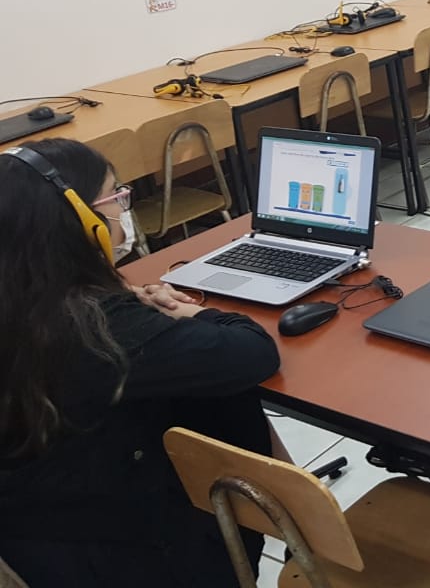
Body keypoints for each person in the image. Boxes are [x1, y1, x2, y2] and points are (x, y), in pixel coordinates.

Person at [0, 138, 282, 587]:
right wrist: (189, 313)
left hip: (30, 534)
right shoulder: (96, 331)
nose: (121, 210)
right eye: (115, 197)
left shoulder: (28, 302)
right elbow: (254, 353)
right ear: (82, 222)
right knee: (224, 398)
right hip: (122, 554)